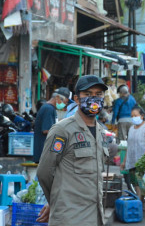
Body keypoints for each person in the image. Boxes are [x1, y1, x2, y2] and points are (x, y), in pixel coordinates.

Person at [36, 75, 109, 225]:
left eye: (98, 94)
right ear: (76, 99)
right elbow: (44, 172)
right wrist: (55, 201)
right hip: (70, 218)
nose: (94, 99)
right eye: (88, 94)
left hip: (94, 217)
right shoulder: (62, 130)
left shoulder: (101, 132)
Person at [120, 106, 145, 210]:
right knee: (135, 183)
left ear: (142, 116)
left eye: (136, 115)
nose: (133, 118)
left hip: (143, 161)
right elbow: (128, 146)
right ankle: (141, 203)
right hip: (132, 160)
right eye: (132, 116)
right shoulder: (131, 128)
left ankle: (139, 204)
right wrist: (124, 161)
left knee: (141, 183)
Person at [33, 87, 70, 163]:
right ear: (57, 97)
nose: (65, 105)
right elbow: (46, 130)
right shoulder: (48, 109)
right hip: (44, 153)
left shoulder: (50, 108)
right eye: (65, 102)